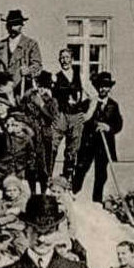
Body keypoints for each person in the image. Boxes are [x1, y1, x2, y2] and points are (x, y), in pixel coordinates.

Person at [74, 72, 122, 202]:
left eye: (106, 86)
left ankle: (97, 202)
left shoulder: (113, 105)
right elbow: (79, 116)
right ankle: (74, 196)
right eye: (100, 86)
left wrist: (108, 128)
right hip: (88, 143)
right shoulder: (89, 103)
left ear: (110, 88)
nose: (102, 89)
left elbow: (118, 124)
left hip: (104, 145)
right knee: (80, 169)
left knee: (101, 174)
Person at [0, 10, 43, 100]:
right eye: (9, 24)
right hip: (1, 91)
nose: (12, 28)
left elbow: (37, 66)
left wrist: (29, 70)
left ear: (21, 25)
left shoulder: (30, 44)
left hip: (21, 91)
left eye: (15, 24)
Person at [52, 50, 91, 185]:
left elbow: (94, 97)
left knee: (72, 149)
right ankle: (48, 178)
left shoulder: (80, 76)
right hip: (61, 115)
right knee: (52, 145)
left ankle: (67, 180)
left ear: (72, 59)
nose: (64, 60)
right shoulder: (55, 77)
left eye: (67, 57)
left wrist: (88, 115)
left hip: (75, 116)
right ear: (59, 60)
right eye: (62, 57)